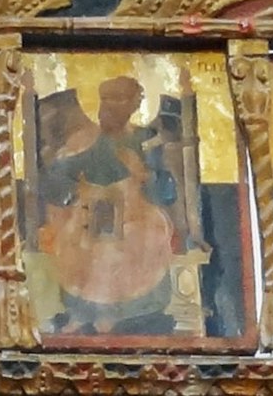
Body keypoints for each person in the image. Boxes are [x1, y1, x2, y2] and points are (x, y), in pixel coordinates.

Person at [37, 74, 192, 335]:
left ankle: (129, 315)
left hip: (136, 215)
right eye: (104, 102)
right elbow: (57, 178)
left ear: (132, 106)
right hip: (93, 212)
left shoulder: (147, 140)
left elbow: (167, 191)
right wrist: (75, 190)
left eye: (117, 102)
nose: (107, 110)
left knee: (144, 239)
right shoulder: (86, 140)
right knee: (78, 243)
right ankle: (83, 312)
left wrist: (144, 175)